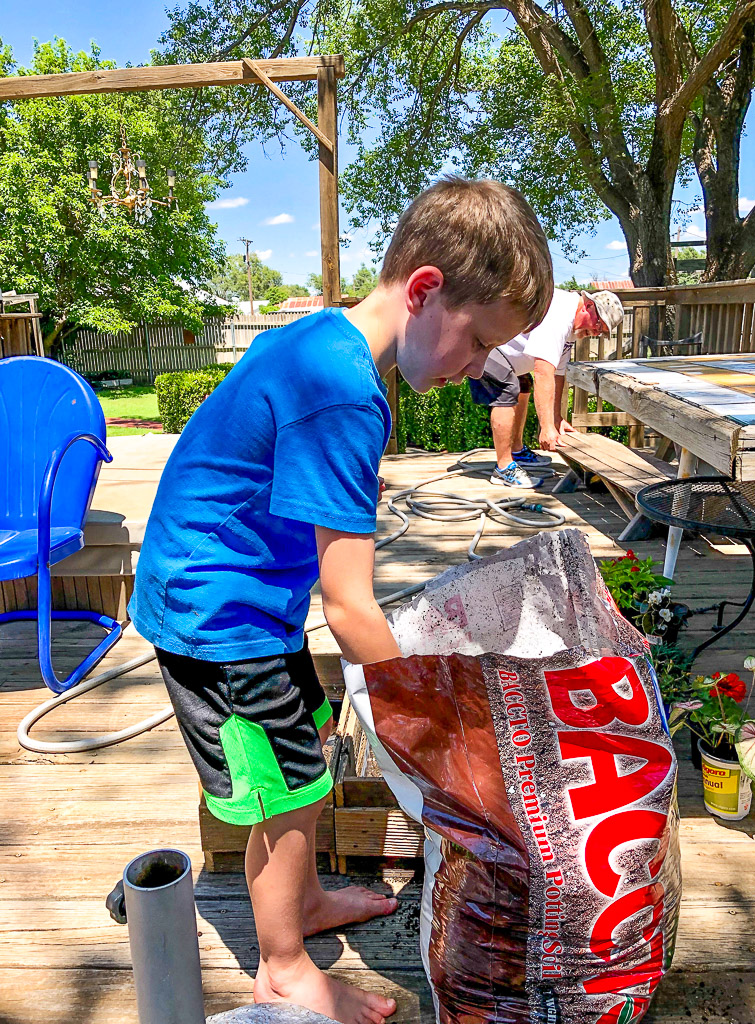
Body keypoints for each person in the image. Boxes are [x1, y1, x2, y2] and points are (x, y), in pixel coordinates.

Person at [128, 176, 554, 1024]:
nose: (476, 369)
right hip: (219, 619)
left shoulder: (326, 343)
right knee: (282, 789)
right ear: (426, 289)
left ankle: (304, 902)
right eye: (477, 345)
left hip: (248, 599)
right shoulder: (345, 393)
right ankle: (284, 967)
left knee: (307, 752)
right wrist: (439, 716)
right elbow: (352, 609)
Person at [469, 288, 624, 486]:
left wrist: (556, 418)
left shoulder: (572, 328)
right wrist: (546, 427)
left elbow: (558, 374)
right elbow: (543, 372)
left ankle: (517, 452)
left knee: (523, 384)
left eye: (601, 332)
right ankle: (503, 468)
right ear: (589, 306)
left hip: (505, 353)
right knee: (507, 391)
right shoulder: (559, 315)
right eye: (599, 325)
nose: (596, 333)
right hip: (486, 346)